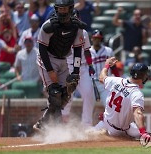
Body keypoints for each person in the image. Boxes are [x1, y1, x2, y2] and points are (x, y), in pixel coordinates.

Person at [33, 0, 86, 131]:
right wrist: (50, 70)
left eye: (65, 8)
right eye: (60, 9)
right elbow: (42, 50)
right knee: (55, 93)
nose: (62, 11)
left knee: (65, 94)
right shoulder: (48, 26)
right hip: (47, 58)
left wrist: (76, 71)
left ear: (71, 8)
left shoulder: (77, 27)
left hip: (64, 59)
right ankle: (58, 130)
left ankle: (42, 123)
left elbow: (78, 50)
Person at [93, 58, 151, 140]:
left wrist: (106, 65)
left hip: (104, 123)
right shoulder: (137, 93)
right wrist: (143, 132)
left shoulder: (116, 80)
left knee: (86, 136)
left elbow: (101, 78)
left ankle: (98, 133)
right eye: (145, 74)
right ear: (142, 76)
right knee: (146, 137)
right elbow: (137, 113)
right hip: (119, 131)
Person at [61, 29, 95, 127]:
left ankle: (87, 124)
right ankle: (64, 119)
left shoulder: (83, 32)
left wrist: (90, 65)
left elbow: (87, 50)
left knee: (88, 93)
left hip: (83, 67)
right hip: (68, 66)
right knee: (68, 94)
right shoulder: (63, 31)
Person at [90, 29, 120, 107]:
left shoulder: (108, 50)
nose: (97, 40)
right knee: (89, 106)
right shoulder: (87, 52)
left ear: (101, 39)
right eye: (95, 38)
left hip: (105, 83)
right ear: (92, 38)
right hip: (92, 82)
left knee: (109, 105)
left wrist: (118, 77)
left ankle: (106, 119)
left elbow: (113, 66)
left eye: (98, 38)